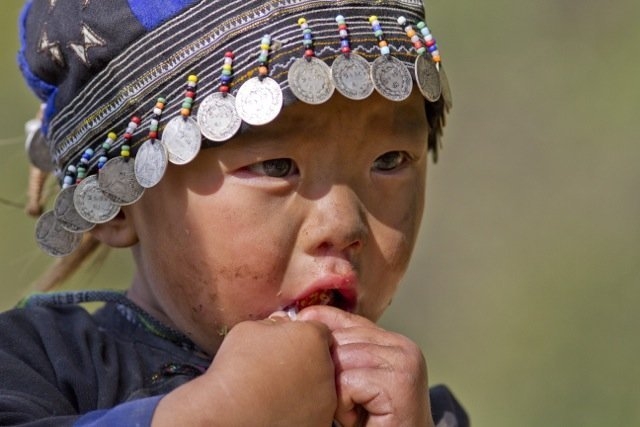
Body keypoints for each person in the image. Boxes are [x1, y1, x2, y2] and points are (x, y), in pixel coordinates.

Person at [2, 0, 468, 425]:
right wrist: (224, 410)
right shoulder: (29, 365)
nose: (342, 223)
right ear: (116, 203)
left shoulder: (416, 411)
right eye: (276, 166)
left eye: (389, 161)